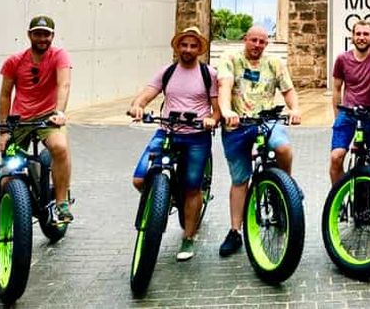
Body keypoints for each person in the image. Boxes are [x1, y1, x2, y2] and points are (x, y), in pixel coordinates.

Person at [0, 15, 73, 264]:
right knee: (5, 178)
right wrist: (4, 131)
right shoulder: (14, 61)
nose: (42, 38)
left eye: (47, 34)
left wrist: (60, 112)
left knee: (60, 147)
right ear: (29, 35)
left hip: (47, 118)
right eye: (37, 34)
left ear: (52, 36)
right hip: (19, 120)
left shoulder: (59, 55)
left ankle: (61, 202)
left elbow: (63, 85)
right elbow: (5, 95)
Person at [128, 26, 219, 262]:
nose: (188, 49)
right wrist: (138, 105)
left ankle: (188, 237)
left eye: (193, 45)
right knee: (139, 179)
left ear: (199, 49)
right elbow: (147, 93)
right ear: (177, 46)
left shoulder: (209, 73)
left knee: (191, 188)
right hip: (166, 131)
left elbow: (217, 108)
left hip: (196, 135)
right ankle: (165, 196)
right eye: (184, 45)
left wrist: (212, 119)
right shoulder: (167, 72)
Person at [217, 26, 301, 257]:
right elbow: (224, 86)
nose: (257, 45)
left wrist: (295, 108)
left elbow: (289, 90)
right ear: (245, 39)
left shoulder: (274, 63)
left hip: (267, 120)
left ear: (267, 44)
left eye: (262, 42)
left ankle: (286, 186)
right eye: (253, 40)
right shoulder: (230, 59)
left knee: (282, 148)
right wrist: (225, 110)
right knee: (240, 179)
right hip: (237, 123)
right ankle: (235, 232)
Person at [330, 19, 370, 235]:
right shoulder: (342, 59)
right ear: (352, 36)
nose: (361, 37)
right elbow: (337, 89)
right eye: (358, 34)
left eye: (366, 34)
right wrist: (337, 116)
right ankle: (337, 200)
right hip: (348, 114)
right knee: (336, 157)